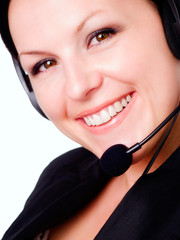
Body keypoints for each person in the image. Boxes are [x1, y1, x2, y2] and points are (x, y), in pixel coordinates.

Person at [0, 0, 180, 239]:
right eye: (46, 64)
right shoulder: (65, 174)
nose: (77, 87)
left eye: (100, 36)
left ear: (174, 29)